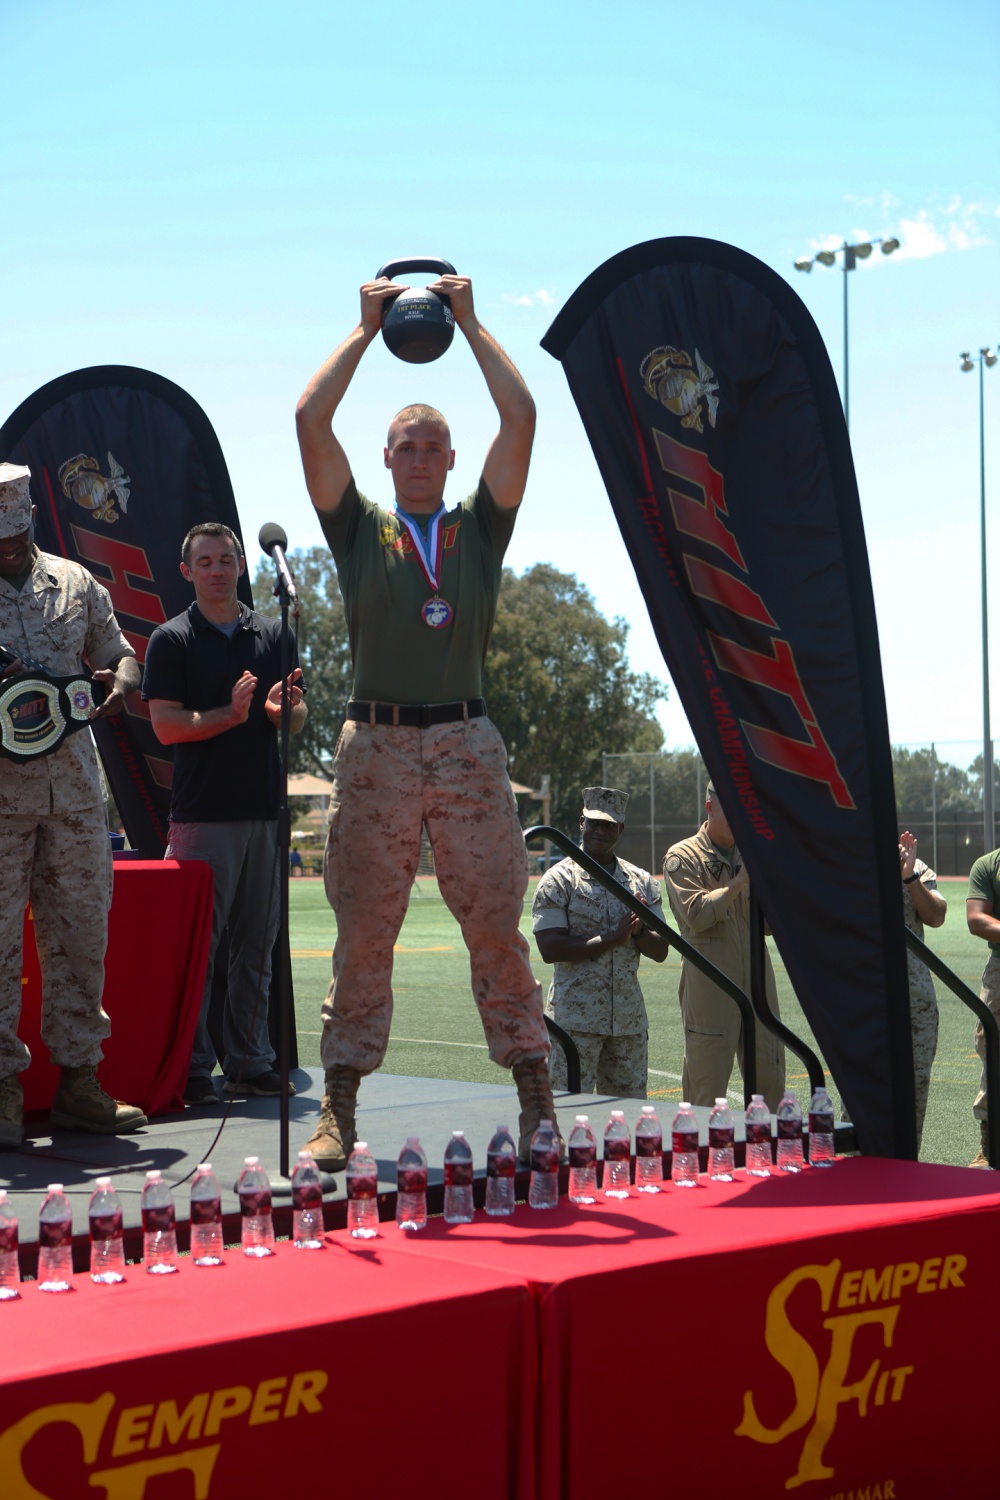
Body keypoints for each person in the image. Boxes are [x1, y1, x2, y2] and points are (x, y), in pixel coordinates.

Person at [295, 270, 553, 1167]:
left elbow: (521, 419)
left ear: (449, 462)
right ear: (386, 459)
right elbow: (307, 421)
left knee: (494, 924)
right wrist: (363, 333)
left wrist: (474, 324)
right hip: (375, 746)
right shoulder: (361, 532)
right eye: (404, 444)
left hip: (465, 743)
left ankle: (534, 1094)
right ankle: (338, 1108)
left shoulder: (480, 530)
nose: (417, 457)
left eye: (431, 446)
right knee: (365, 931)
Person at [0, 461, 147, 1147]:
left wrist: (120, 680)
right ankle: (1, 1089)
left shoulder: (74, 581)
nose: (6, 548)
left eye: (14, 535)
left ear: (30, 519)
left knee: (83, 935)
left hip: (77, 793)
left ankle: (80, 1082)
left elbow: (120, 653)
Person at [143, 522, 306, 1102]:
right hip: (202, 818)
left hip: (265, 813)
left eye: (227, 559)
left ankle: (250, 1059)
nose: (218, 569)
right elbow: (165, 726)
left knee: (256, 950)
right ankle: (189, 1068)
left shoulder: (272, 632)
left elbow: (299, 719)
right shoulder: (171, 640)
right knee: (197, 952)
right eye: (205, 561)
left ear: (242, 565)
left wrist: (280, 711)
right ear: (187, 572)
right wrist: (229, 717)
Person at [532, 786, 669, 1096]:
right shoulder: (559, 880)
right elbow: (549, 947)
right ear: (582, 822)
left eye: (609, 825)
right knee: (566, 1113)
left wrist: (637, 933)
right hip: (573, 1024)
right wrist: (612, 939)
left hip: (627, 1025)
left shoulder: (641, 882)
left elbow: (661, 949)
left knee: (628, 1119)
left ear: (621, 828)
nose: (600, 831)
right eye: (594, 823)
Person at [662, 783, 785, 1112]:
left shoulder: (754, 852)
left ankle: (768, 1157)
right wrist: (741, 881)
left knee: (769, 1079)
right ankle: (702, 1161)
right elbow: (696, 914)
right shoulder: (682, 856)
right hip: (710, 988)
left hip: (758, 981)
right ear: (709, 807)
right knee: (706, 1087)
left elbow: (773, 925)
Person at [898, 829, 946, 1155]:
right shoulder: (852, 869)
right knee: (861, 1096)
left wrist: (909, 877)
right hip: (867, 1000)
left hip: (916, 1005)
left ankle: (906, 1171)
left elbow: (937, 915)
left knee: (913, 1096)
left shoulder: (916, 868)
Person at [965, 842, 1000, 1167]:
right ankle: (990, 1148)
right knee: (993, 1055)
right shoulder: (988, 865)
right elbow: (976, 919)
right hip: (999, 972)